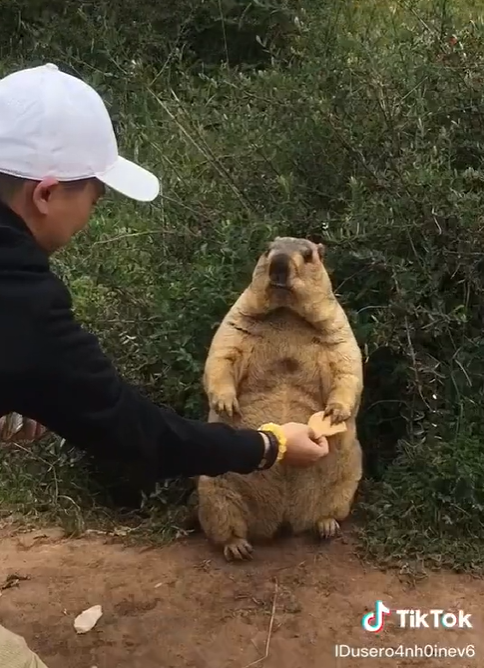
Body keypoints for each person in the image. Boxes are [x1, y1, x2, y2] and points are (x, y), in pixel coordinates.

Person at [0, 62, 330, 492]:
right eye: (95, 199)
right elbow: (131, 430)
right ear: (45, 194)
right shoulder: (23, 297)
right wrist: (270, 445)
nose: (88, 217)